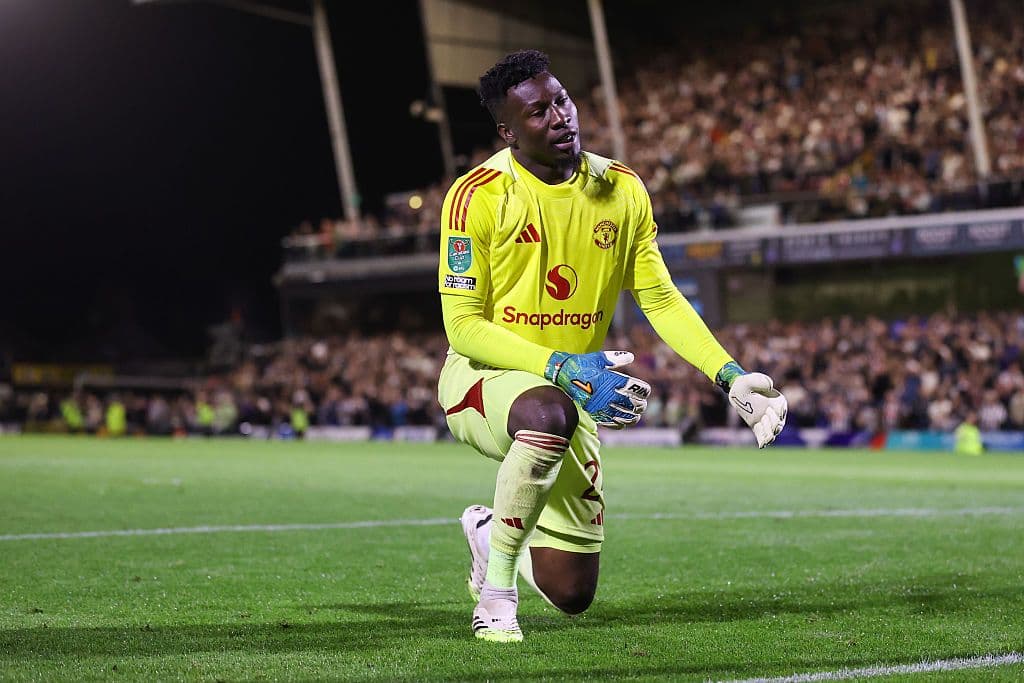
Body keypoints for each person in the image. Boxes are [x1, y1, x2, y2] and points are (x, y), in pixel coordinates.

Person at [435, 49, 788, 643]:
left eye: (563, 100)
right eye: (539, 112)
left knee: (572, 592)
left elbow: (661, 299)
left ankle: (488, 530)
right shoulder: (478, 196)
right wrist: (560, 366)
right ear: (508, 131)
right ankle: (496, 595)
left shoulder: (621, 190)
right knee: (548, 411)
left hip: (577, 386)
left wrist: (731, 376)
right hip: (484, 378)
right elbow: (464, 328)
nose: (560, 117)